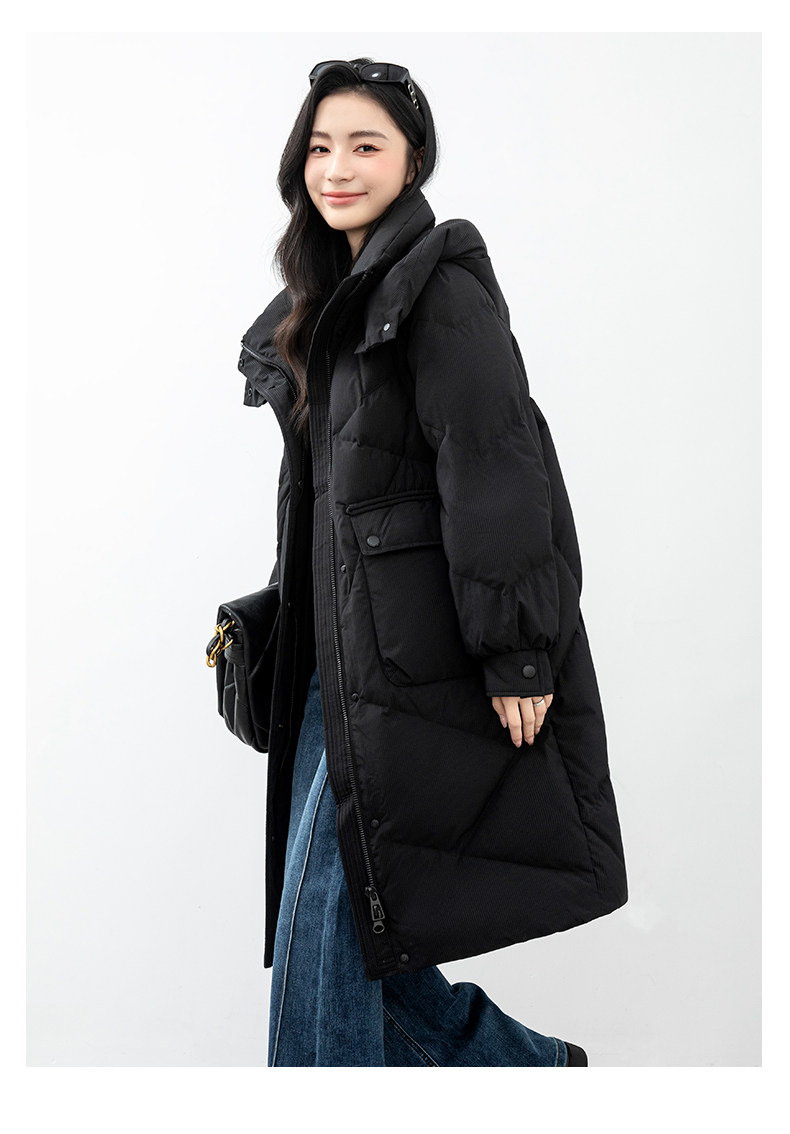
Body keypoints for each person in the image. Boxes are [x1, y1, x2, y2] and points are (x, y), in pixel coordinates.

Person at [237, 58, 628, 1067]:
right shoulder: (321, 302)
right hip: (331, 663)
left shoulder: (437, 285)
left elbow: (495, 466)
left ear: (412, 161)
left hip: (411, 660)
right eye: (320, 147)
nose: (337, 168)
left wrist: (518, 651)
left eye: (364, 145)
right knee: (358, 931)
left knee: (323, 928)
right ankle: (541, 1075)